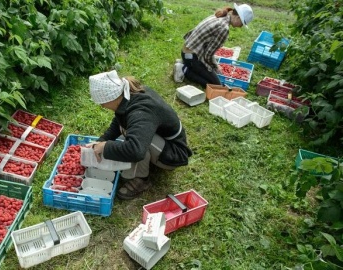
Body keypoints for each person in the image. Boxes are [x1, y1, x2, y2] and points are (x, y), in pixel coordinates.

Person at [88, 70, 193, 200]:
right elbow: (119, 121)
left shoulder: (141, 111)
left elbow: (135, 150)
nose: (102, 106)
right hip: (160, 140)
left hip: (174, 153)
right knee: (128, 134)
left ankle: (141, 179)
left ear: (111, 98)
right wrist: (102, 140)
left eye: (102, 103)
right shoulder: (127, 96)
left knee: (134, 143)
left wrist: (105, 146)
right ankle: (145, 163)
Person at [176, 3, 254, 88]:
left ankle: (187, 63)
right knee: (216, 85)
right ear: (238, 18)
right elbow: (208, 55)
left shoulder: (220, 15)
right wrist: (215, 67)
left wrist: (213, 66)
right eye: (242, 24)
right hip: (192, 56)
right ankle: (183, 69)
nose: (240, 26)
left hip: (187, 51)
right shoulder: (224, 29)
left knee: (209, 72)